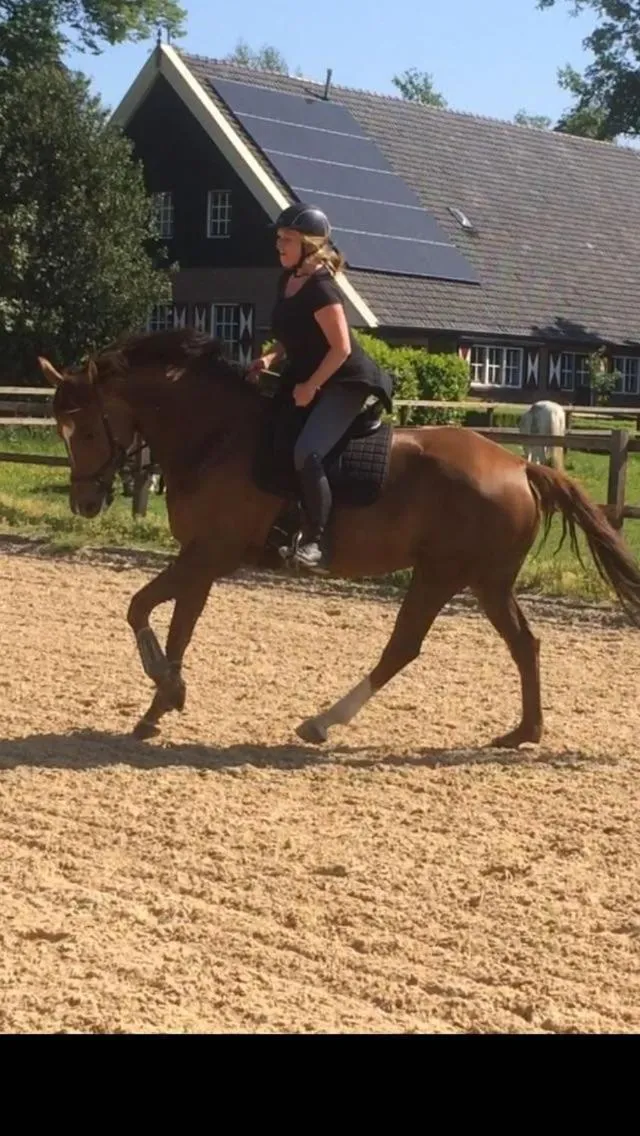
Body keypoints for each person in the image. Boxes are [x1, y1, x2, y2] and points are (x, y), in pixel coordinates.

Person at [246, 203, 394, 571]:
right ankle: (284, 526)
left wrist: (311, 386)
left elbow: (341, 348)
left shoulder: (322, 289)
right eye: (279, 238)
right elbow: (294, 337)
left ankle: (316, 542)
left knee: (307, 452)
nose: (279, 245)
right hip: (309, 375)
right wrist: (270, 359)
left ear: (309, 245)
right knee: (269, 433)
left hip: (345, 380)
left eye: (288, 239)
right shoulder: (288, 280)